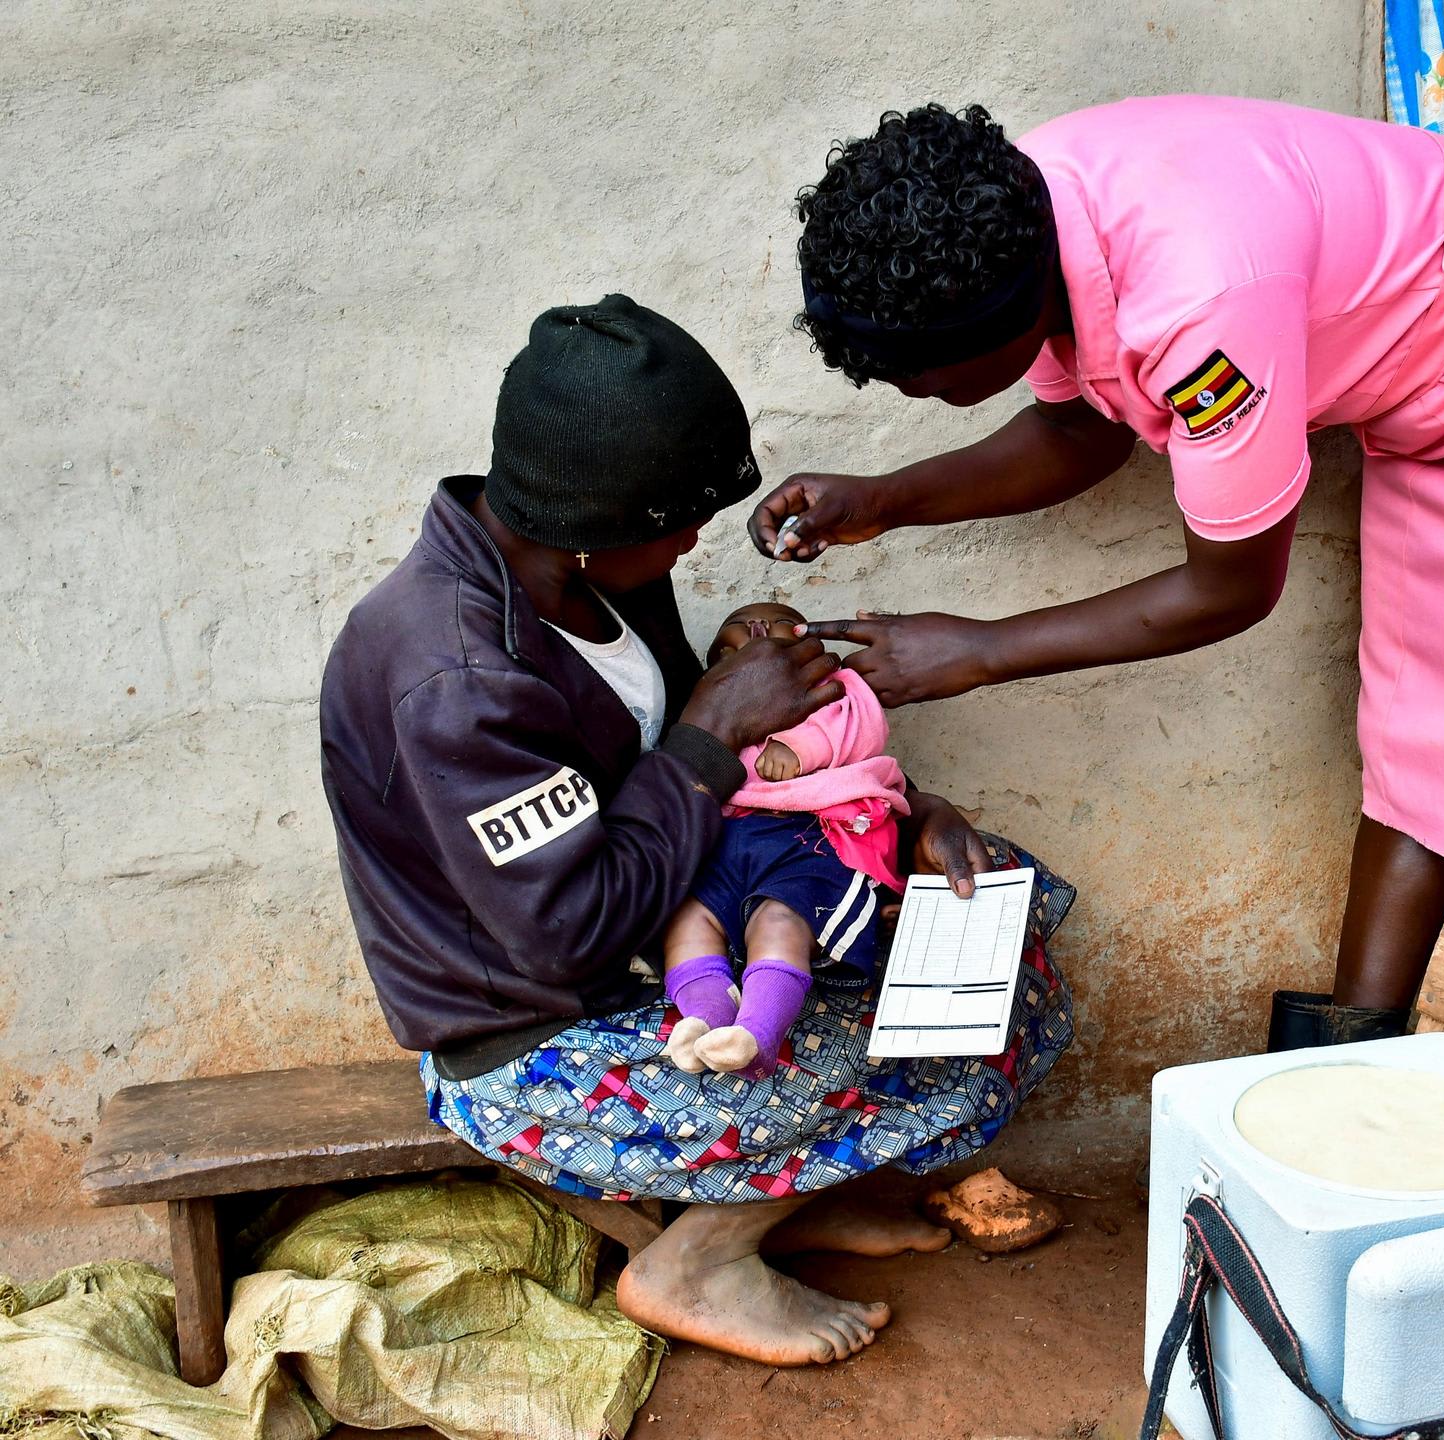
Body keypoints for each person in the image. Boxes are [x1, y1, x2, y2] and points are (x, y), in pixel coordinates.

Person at [757, 99, 1444, 1046]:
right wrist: (886, 499)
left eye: (918, 378)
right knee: (1417, 731)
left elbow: (1232, 588)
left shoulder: (1201, 310)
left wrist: (978, 651)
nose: (907, 393)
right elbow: (1074, 430)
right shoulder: (1014, 208)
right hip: (1432, 394)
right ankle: (1346, 1065)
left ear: (1001, 328)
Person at [319, 294, 1075, 1366]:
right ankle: (698, 1262)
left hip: (677, 935)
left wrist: (907, 816)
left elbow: (742, 800)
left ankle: (790, 1197)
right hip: (540, 1047)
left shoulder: (593, 582)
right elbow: (569, 931)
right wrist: (713, 730)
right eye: (678, 522)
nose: (695, 543)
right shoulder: (454, 677)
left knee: (998, 913)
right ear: (590, 527)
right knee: (966, 1031)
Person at [662, 601, 907, 1078]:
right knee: (686, 918)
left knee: (781, 917)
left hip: (803, 841)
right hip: (725, 842)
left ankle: (757, 1033)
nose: (754, 629)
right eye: (734, 633)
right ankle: (704, 1016)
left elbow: (859, 725)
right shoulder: (707, 708)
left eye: (774, 624)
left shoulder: (834, 691)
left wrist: (801, 747)